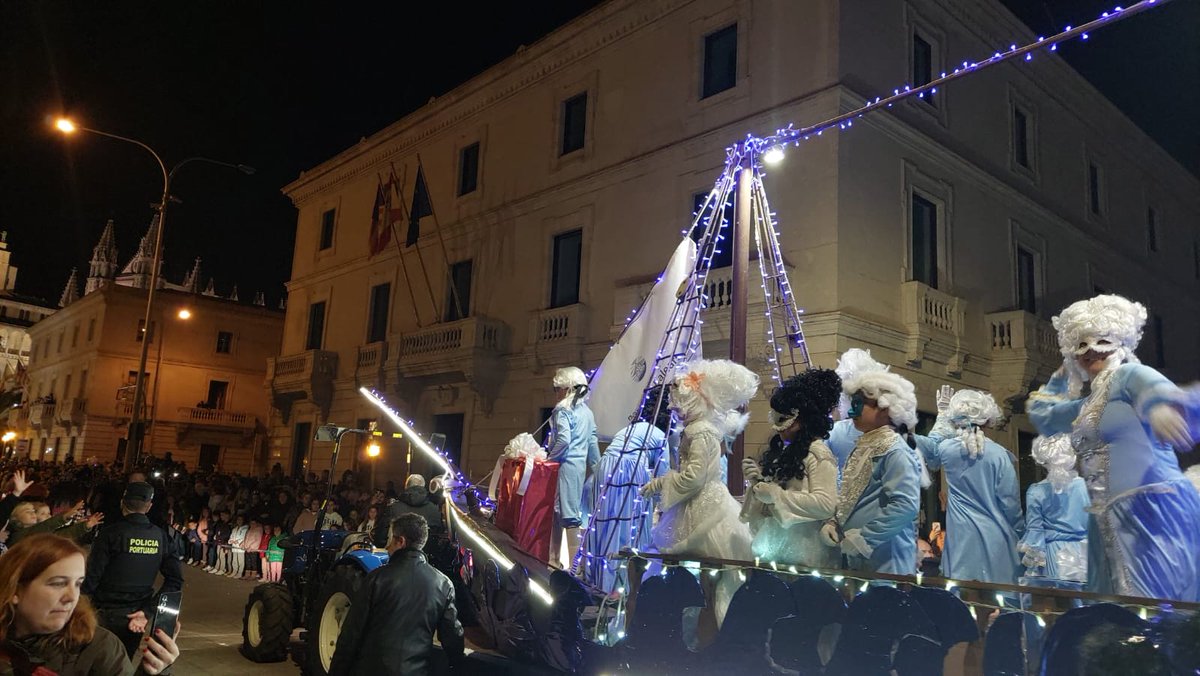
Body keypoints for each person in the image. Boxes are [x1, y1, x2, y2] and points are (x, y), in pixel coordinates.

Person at [1028, 294, 1200, 601]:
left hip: (1148, 508)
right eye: (1081, 345)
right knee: (1115, 608)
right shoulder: (1087, 405)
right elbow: (1043, 415)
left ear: (1120, 344)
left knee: (1156, 608)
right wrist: (1065, 370)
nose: (1091, 350)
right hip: (1106, 518)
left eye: (1102, 341)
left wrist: (1159, 407)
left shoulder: (1127, 375)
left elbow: (1153, 388)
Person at [640, 359, 757, 624]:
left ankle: (708, 628)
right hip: (695, 504)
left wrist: (661, 484)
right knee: (696, 576)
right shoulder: (698, 430)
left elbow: (694, 478)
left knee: (710, 578)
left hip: (704, 507)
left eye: (679, 405)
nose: (676, 411)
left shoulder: (700, 432)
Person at [0, 534, 180, 675]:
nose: (72, 597)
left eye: (78, 584)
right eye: (58, 583)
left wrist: (153, 672)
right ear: (15, 589)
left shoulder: (101, 648)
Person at [328, 513, 464, 676]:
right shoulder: (443, 584)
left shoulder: (377, 578)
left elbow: (351, 634)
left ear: (400, 542)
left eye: (390, 540)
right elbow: (453, 638)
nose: (387, 547)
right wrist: (457, 666)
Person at [821, 366, 922, 574]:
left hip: (888, 563)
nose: (852, 412)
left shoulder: (895, 451)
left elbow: (905, 506)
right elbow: (850, 495)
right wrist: (834, 522)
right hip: (860, 562)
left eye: (859, 404)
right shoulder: (864, 445)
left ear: (885, 408)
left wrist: (865, 538)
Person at [741, 369, 841, 568]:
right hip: (774, 547)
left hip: (804, 551)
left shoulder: (818, 454)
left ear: (803, 419)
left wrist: (775, 495)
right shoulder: (787, 451)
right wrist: (758, 483)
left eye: (784, 419)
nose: (778, 428)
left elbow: (825, 504)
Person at [920, 389, 1023, 584]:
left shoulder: (948, 449)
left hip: (961, 537)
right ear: (987, 419)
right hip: (996, 537)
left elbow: (930, 453)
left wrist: (942, 420)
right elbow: (1011, 504)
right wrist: (1020, 535)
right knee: (997, 596)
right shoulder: (1000, 455)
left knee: (962, 594)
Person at [580, 387, 670, 591]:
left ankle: (599, 580)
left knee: (605, 522)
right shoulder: (659, 436)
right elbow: (663, 478)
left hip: (606, 467)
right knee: (629, 524)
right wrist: (663, 506)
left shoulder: (629, 429)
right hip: (630, 469)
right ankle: (622, 585)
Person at [81, 482, 184, 658]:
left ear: (122, 503)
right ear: (149, 506)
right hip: (136, 616)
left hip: (102, 613)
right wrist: (148, 611)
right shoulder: (161, 537)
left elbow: (92, 576)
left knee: (92, 661)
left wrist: (81, 608)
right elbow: (175, 581)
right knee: (123, 663)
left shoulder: (109, 533)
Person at [546, 366, 600, 570]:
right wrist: (598, 470)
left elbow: (563, 440)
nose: (556, 393)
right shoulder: (588, 413)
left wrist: (549, 460)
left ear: (567, 388)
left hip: (564, 467)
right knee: (564, 514)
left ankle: (569, 566)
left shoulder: (562, 410)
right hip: (578, 469)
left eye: (557, 388)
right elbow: (592, 444)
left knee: (566, 516)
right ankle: (558, 562)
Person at [1018, 434, 1090, 585]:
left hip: (1054, 556)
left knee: (1057, 598)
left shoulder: (1036, 491)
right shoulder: (1087, 487)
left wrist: (1034, 568)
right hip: (1086, 553)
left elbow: (1035, 534)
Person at [376, 475, 443, 548]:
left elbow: (381, 535)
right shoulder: (435, 509)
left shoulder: (393, 507)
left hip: (399, 552)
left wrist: (381, 546)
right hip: (426, 553)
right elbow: (439, 534)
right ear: (423, 487)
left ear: (406, 486)